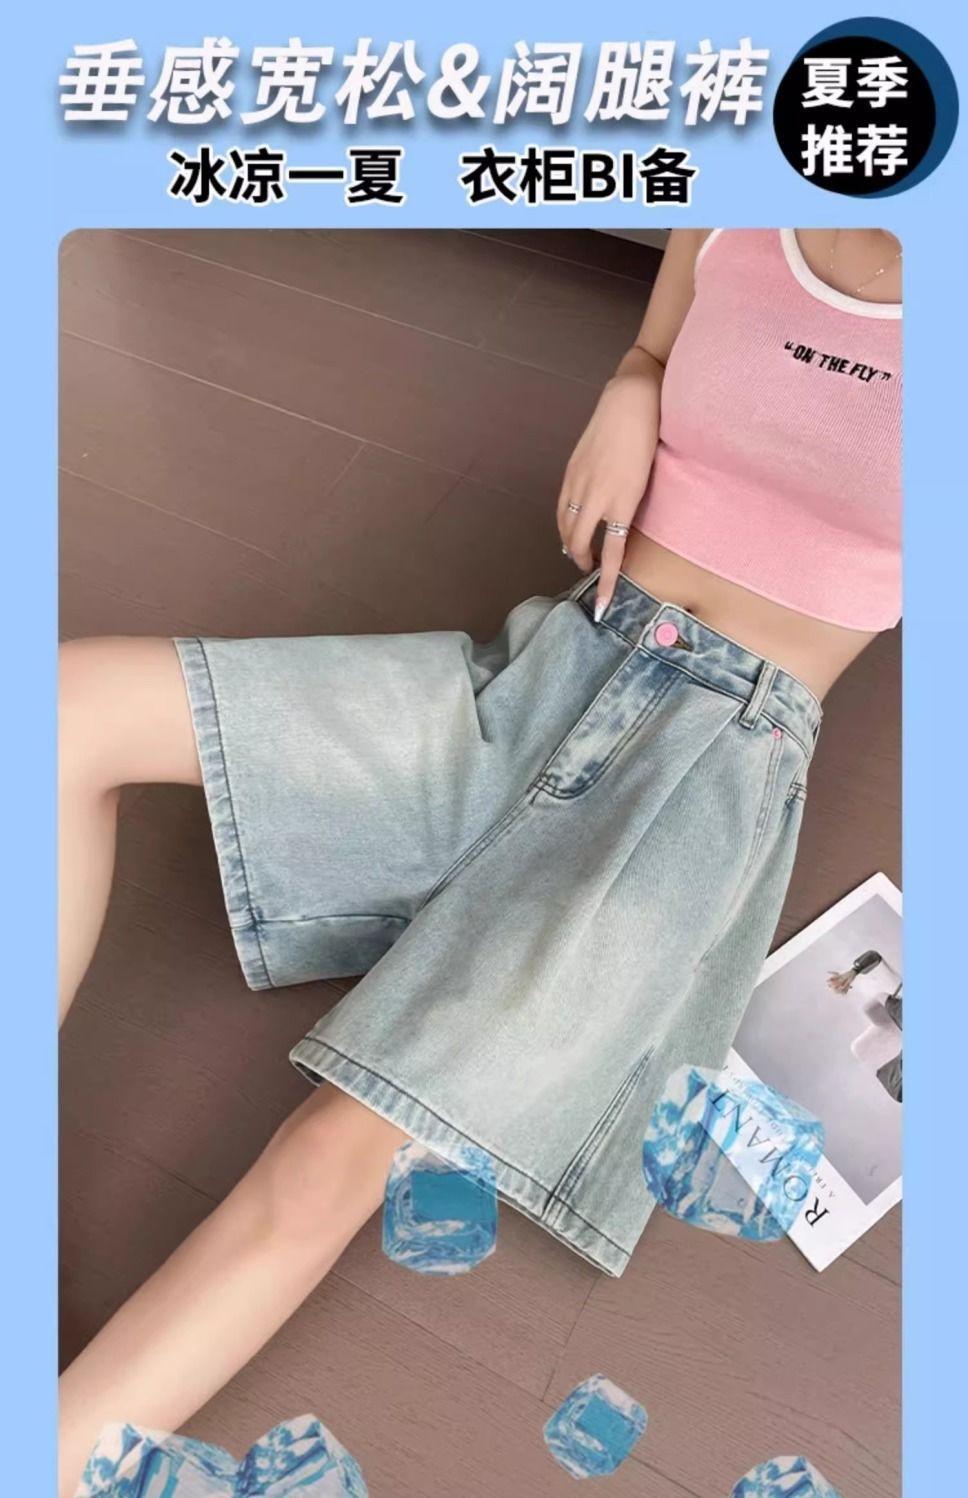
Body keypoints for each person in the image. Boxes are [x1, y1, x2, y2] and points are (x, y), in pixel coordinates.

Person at [58, 228, 902, 1494]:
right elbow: (655, 342)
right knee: (64, 708)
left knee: (328, 1160)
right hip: (544, 674)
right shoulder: (739, 190)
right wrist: (629, 387)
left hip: (705, 780)